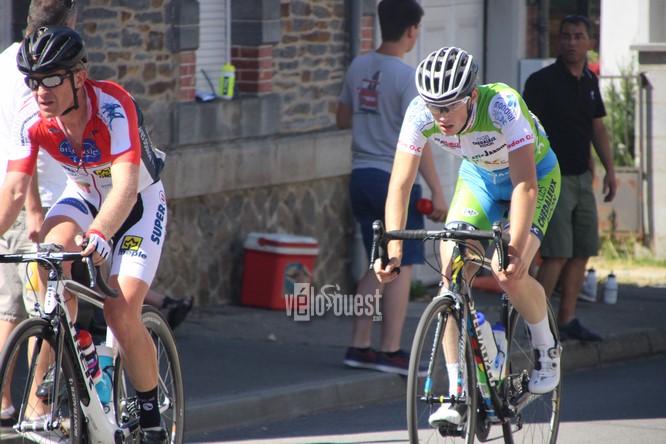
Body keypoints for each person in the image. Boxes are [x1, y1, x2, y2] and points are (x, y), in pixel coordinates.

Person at [375, 47, 562, 426]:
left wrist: (514, 249)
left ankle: (547, 347)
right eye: (434, 107)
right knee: (450, 278)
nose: (440, 116)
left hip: (535, 177)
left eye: (449, 106)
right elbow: (400, 184)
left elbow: (525, 185)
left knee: (508, 271)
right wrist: (393, 248)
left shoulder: (502, 105)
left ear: (472, 97)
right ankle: (459, 390)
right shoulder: (419, 113)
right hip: (479, 179)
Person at [4, 25, 168, 443]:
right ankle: (78, 354)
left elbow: (126, 187)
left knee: (120, 311)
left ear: (79, 77)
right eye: (34, 81)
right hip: (83, 197)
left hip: (138, 205)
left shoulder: (114, 106)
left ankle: (151, 416)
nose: (41, 91)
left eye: (51, 79)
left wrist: (99, 233)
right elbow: (14, 191)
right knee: (47, 259)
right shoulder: (31, 118)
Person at [337, 0, 447, 376]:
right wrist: (437, 190)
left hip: (361, 176)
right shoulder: (408, 78)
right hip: (393, 180)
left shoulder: (358, 66)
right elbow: (420, 142)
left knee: (378, 260)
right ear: (412, 31)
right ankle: (390, 350)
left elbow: (342, 117)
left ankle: (359, 345)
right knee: (401, 264)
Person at [0, 0, 72, 427]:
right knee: (46, 308)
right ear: (68, 23)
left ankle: (4, 401)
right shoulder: (45, 65)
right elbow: (26, 143)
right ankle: (35, 406)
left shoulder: (4, 61)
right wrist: (33, 208)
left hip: (9, 198)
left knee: (8, 311)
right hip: (39, 204)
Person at [523, 14, 616, 342]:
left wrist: (610, 170)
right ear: (558, 41)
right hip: (552, 178)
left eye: (578, 36)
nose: (571, 42)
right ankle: (537, 326)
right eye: (565, 36)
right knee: (557, 253)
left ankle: (566, 319)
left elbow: (597, 127)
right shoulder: (542, 81)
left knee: (581, 251)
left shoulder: (590, 81)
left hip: (581, 178)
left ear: (590, 42)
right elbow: (525, 129)